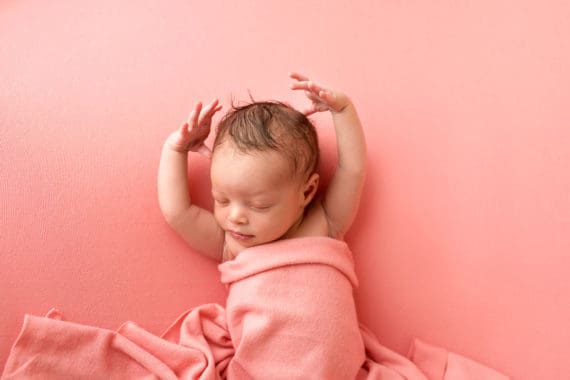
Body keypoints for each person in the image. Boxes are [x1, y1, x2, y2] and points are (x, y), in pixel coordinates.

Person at [157, 72, 366, 262]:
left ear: (307, 191)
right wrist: (175, 149)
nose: (235, 217)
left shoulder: (324, 223)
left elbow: (352, 170)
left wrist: (343, 111)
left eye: (259, 205)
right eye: (221, 200)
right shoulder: (232, 245)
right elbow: (178, 213)